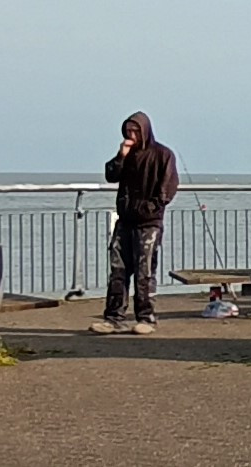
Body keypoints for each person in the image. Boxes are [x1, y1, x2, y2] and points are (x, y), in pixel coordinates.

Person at [88, 112, 178, 334]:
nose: (131, 134)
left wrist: (150, 207)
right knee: (117, 269)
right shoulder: (126, 155)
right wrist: (121, 155)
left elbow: (168, 187)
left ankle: (146, 317)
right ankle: (113, 317)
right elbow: (111, 175)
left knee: (144, 270)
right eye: (128, 130)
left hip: (149, 223)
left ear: (145, 130)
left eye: (136, 130)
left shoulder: (163, 154)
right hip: (125, 221)